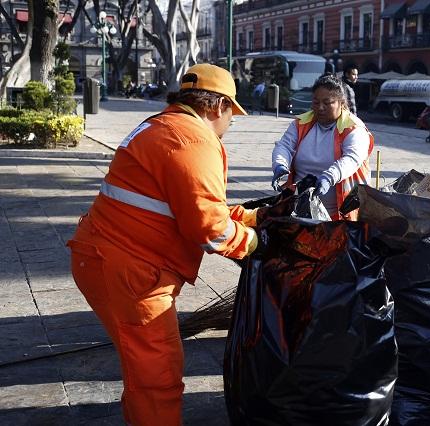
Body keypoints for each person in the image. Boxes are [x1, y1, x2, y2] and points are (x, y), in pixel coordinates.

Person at [67, 64, 286, 426]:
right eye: (232, 112)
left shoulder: (162, 125)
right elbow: (211, 229)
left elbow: (185, 200)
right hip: (130, 271)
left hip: (108, 257)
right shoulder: (193, 140)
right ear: (217, 106)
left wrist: (252, 216)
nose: (230, 123)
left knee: (143, 366)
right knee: (157, 377)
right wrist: (258, 242)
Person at [271, 74, 373, 220]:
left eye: (327, 102)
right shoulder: (301, 124)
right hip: (302, 210)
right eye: (315, 102)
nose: (320, 108)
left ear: (341, 103)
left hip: (342, 216)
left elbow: (352, 159)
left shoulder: (354, 129)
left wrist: (329, 177)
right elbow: (284, 146)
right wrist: (279, 165)